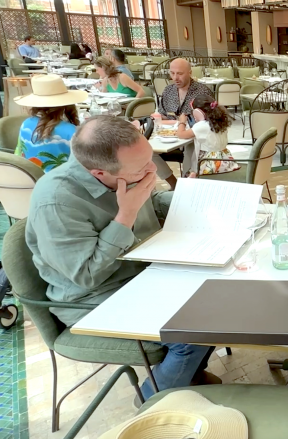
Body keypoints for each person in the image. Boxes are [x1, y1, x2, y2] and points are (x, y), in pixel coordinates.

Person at [25, 116, 221, 403]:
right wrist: (125, 216)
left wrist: (192, 200)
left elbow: (151, 202)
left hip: (141, 273)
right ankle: (150, 401)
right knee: (194, 328)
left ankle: (186, 375)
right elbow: (87, 275)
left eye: (150, 159)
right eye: (142, 169)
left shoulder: (126, 172)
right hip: (91, 298)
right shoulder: (56, 201)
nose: (152, 171)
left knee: (220, 295)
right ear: (100, 173)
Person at [14, 75, 86, 171]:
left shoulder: (25, 124)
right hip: (61, 183)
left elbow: (19, 155)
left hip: (28, 179)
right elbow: (83, 168)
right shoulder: (72, 131)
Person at [176, 96, 240, 177]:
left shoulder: (202, 126)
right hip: (225, 160)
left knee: (191, 172)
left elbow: (181, 134)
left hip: (209, 163)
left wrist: (182, 122)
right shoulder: (220, 122)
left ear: (197, 112)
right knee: (190, 150)